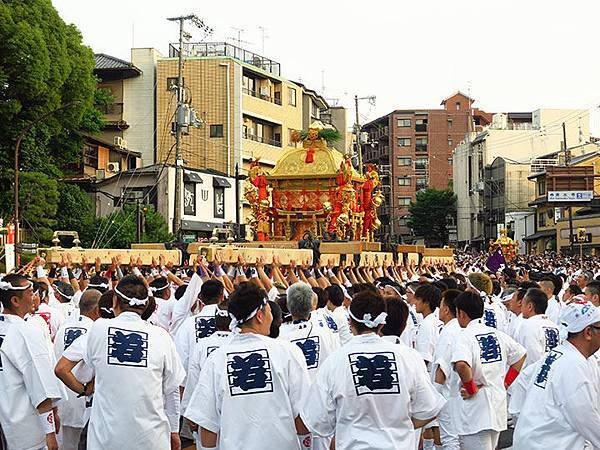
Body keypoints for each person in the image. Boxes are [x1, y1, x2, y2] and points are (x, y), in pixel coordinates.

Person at [301, 290, 445, 450]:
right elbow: (429, 408)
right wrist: (402, 426)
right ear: (382, 324)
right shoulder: (409, 357)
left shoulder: (335, 361)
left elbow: (318, 421)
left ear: (350, 323)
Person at [184, 282, 311, 450]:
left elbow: (207, 427)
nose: (271, 316)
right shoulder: (287, 352)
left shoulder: (217, 358)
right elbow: (303, 420)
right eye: (268, 311)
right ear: (259, 315)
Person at [83, 275, 184, 450]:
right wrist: (174, 429)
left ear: (115, 300)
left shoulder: (98, 329)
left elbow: (90, 368)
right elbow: (171, 387)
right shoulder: (161, 336)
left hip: (106, 438)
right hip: (151, 438)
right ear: (145, 305)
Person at [512, 301, 600, 449]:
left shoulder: (559, 354)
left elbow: (522, 382)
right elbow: (586, 419)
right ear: (588, 332)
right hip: (548, 444)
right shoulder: (573, 365)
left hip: (534, 439)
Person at [451, 291, 526, 450]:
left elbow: (461, 364)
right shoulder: (497, 334)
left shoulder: (465, 335)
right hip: (497, 403)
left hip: (476, 408)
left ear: (461, 313)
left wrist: (471, 388)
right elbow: (520, 356)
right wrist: (505, 383)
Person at [0, 274, 63, 450]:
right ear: (15, 300)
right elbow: (40, 386)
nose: (35, 296)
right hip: (24, 429)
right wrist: (50, 433)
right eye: (30, 292)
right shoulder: (26, 332)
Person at [53, 289, 101, 450]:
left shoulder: (63, 328)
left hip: (62, 400)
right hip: (83, 402)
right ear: (96, 310)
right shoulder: (95, 332)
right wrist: (84, 389)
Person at [279, 282, 340, 381]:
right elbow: (336, 365)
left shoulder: (279, 337)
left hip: (294, 394)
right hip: (321, 392)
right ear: (312, 305)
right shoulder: (326, 332)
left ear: (288, 305)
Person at [174, 278, 224, 375]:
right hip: (222, 381)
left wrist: (184, 385)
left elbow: (182, 356)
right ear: (222, 297)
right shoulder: (230, 322)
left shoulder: (188, 324)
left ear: (201, 297)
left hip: (195, 380)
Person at [433, 289, 463, 450]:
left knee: (450, 439)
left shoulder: (449, 331)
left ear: (446, 309)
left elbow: (442, 368)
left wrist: (434, 398)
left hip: (448, 394)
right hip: (459, 392)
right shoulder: (460, 328)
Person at [514, 288, 560, 367]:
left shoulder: (528, 325)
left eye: (523, 304)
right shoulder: (555, 327)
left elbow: (532, 358)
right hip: (552, 372)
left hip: (535, 374)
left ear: (530, 306)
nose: (521, 307)